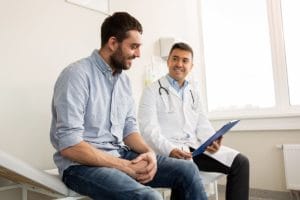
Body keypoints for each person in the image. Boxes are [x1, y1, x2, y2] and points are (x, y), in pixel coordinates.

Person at [50, 12, 208, 200]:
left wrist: (149, 153)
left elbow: (129, 130)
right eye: (133, 47)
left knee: (187, 170)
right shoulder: (76, 75)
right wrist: (124, 166)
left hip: (120, 154)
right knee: (151, 198)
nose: (139, 54)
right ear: (113, 43)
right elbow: (70, 145)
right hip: (81, 166)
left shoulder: (123, 81)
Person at [138, 42, 250, 200]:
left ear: (191, 66)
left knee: (240, 162)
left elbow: (202, 124)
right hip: (166, 151)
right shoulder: (152, 90)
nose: (179, 64)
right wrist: (170, 150)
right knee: (185, 171)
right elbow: (148, 130)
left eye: (185, 60)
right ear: (168, 61)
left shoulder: (193, 92)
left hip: (193, 149)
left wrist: (212, 140)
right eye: (175, 59)